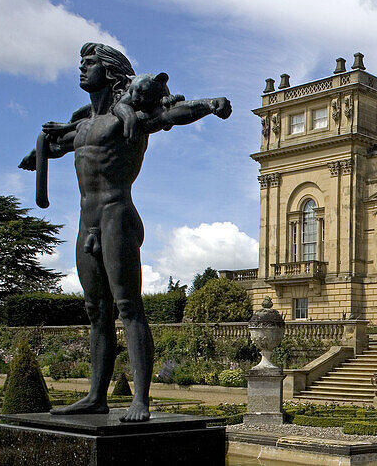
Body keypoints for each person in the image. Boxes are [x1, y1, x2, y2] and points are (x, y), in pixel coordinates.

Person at [19, 43, 230, 422]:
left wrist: (209, 105)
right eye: (81, 64)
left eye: (89, 64)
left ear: (111, 72)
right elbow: (55, 145)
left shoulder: (128, 118)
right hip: (87, 220)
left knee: (129, 308)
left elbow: (172, 113)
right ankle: (96, 397)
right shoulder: (81, 125)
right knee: (96, 311)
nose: (82, 70)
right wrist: (38, 153)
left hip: (118, 215)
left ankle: (140, 401)